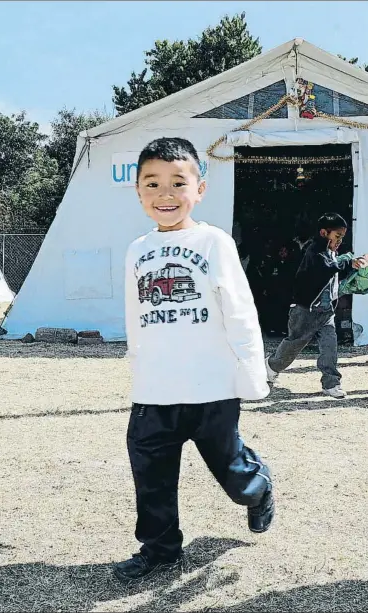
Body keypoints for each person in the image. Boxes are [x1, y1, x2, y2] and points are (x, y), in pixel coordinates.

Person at [115, 138, 274, 583]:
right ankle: (161, 548)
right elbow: (136, 316)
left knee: (232, 473)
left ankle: (258, 488)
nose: (165, 194)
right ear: (139, 192)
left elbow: (240, 310)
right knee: (151, 475)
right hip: (155, 391)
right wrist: (139, 369)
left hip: (212, 388)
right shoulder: (136, 250)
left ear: (199, 189)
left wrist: (252, 376)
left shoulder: (213, 242)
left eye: (178, 182)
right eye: (153, 183)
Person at [265, 213, 367, 398]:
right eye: (337, 236)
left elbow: (335, 275)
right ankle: (271, 366)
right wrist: (348, 263)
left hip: (326, 312)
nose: (339, 241)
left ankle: (331, 382)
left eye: (342, 237)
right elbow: (326, 269)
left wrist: (354, 267)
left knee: (330, 346)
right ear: (323, 232)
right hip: (305, 311)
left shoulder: (332, 254)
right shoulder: (314, 252)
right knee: (293, 346)